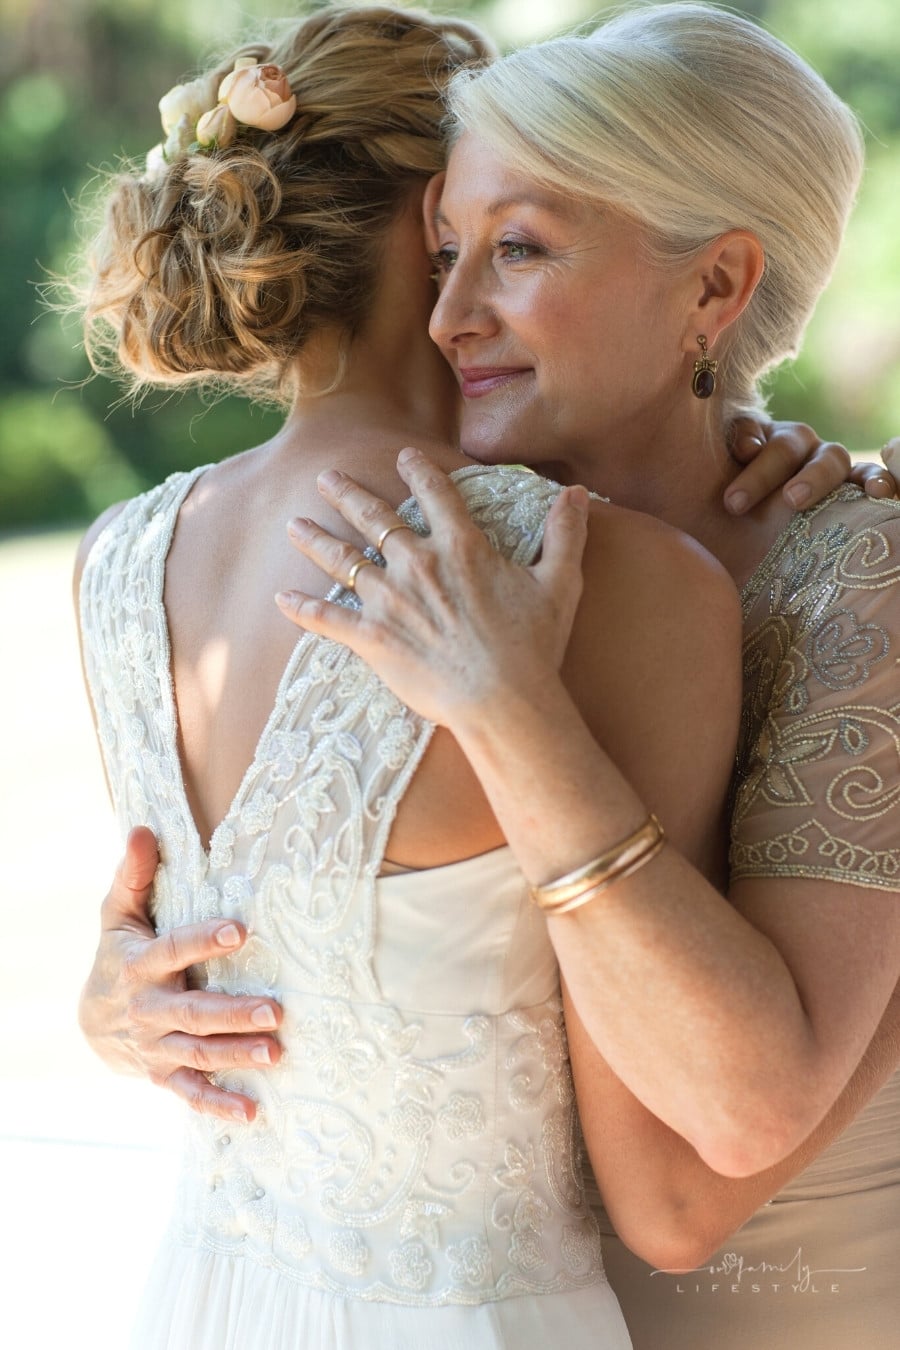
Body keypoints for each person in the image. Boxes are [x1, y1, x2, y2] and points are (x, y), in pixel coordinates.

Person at [71, 6, 894, 1350]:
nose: (448, 317)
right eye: (446, 250)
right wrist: (129, 993)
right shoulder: (506, 548)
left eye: (514, 251)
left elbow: (684, 1191)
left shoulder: (842, 566)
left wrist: (512, 712)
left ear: (715, 288)